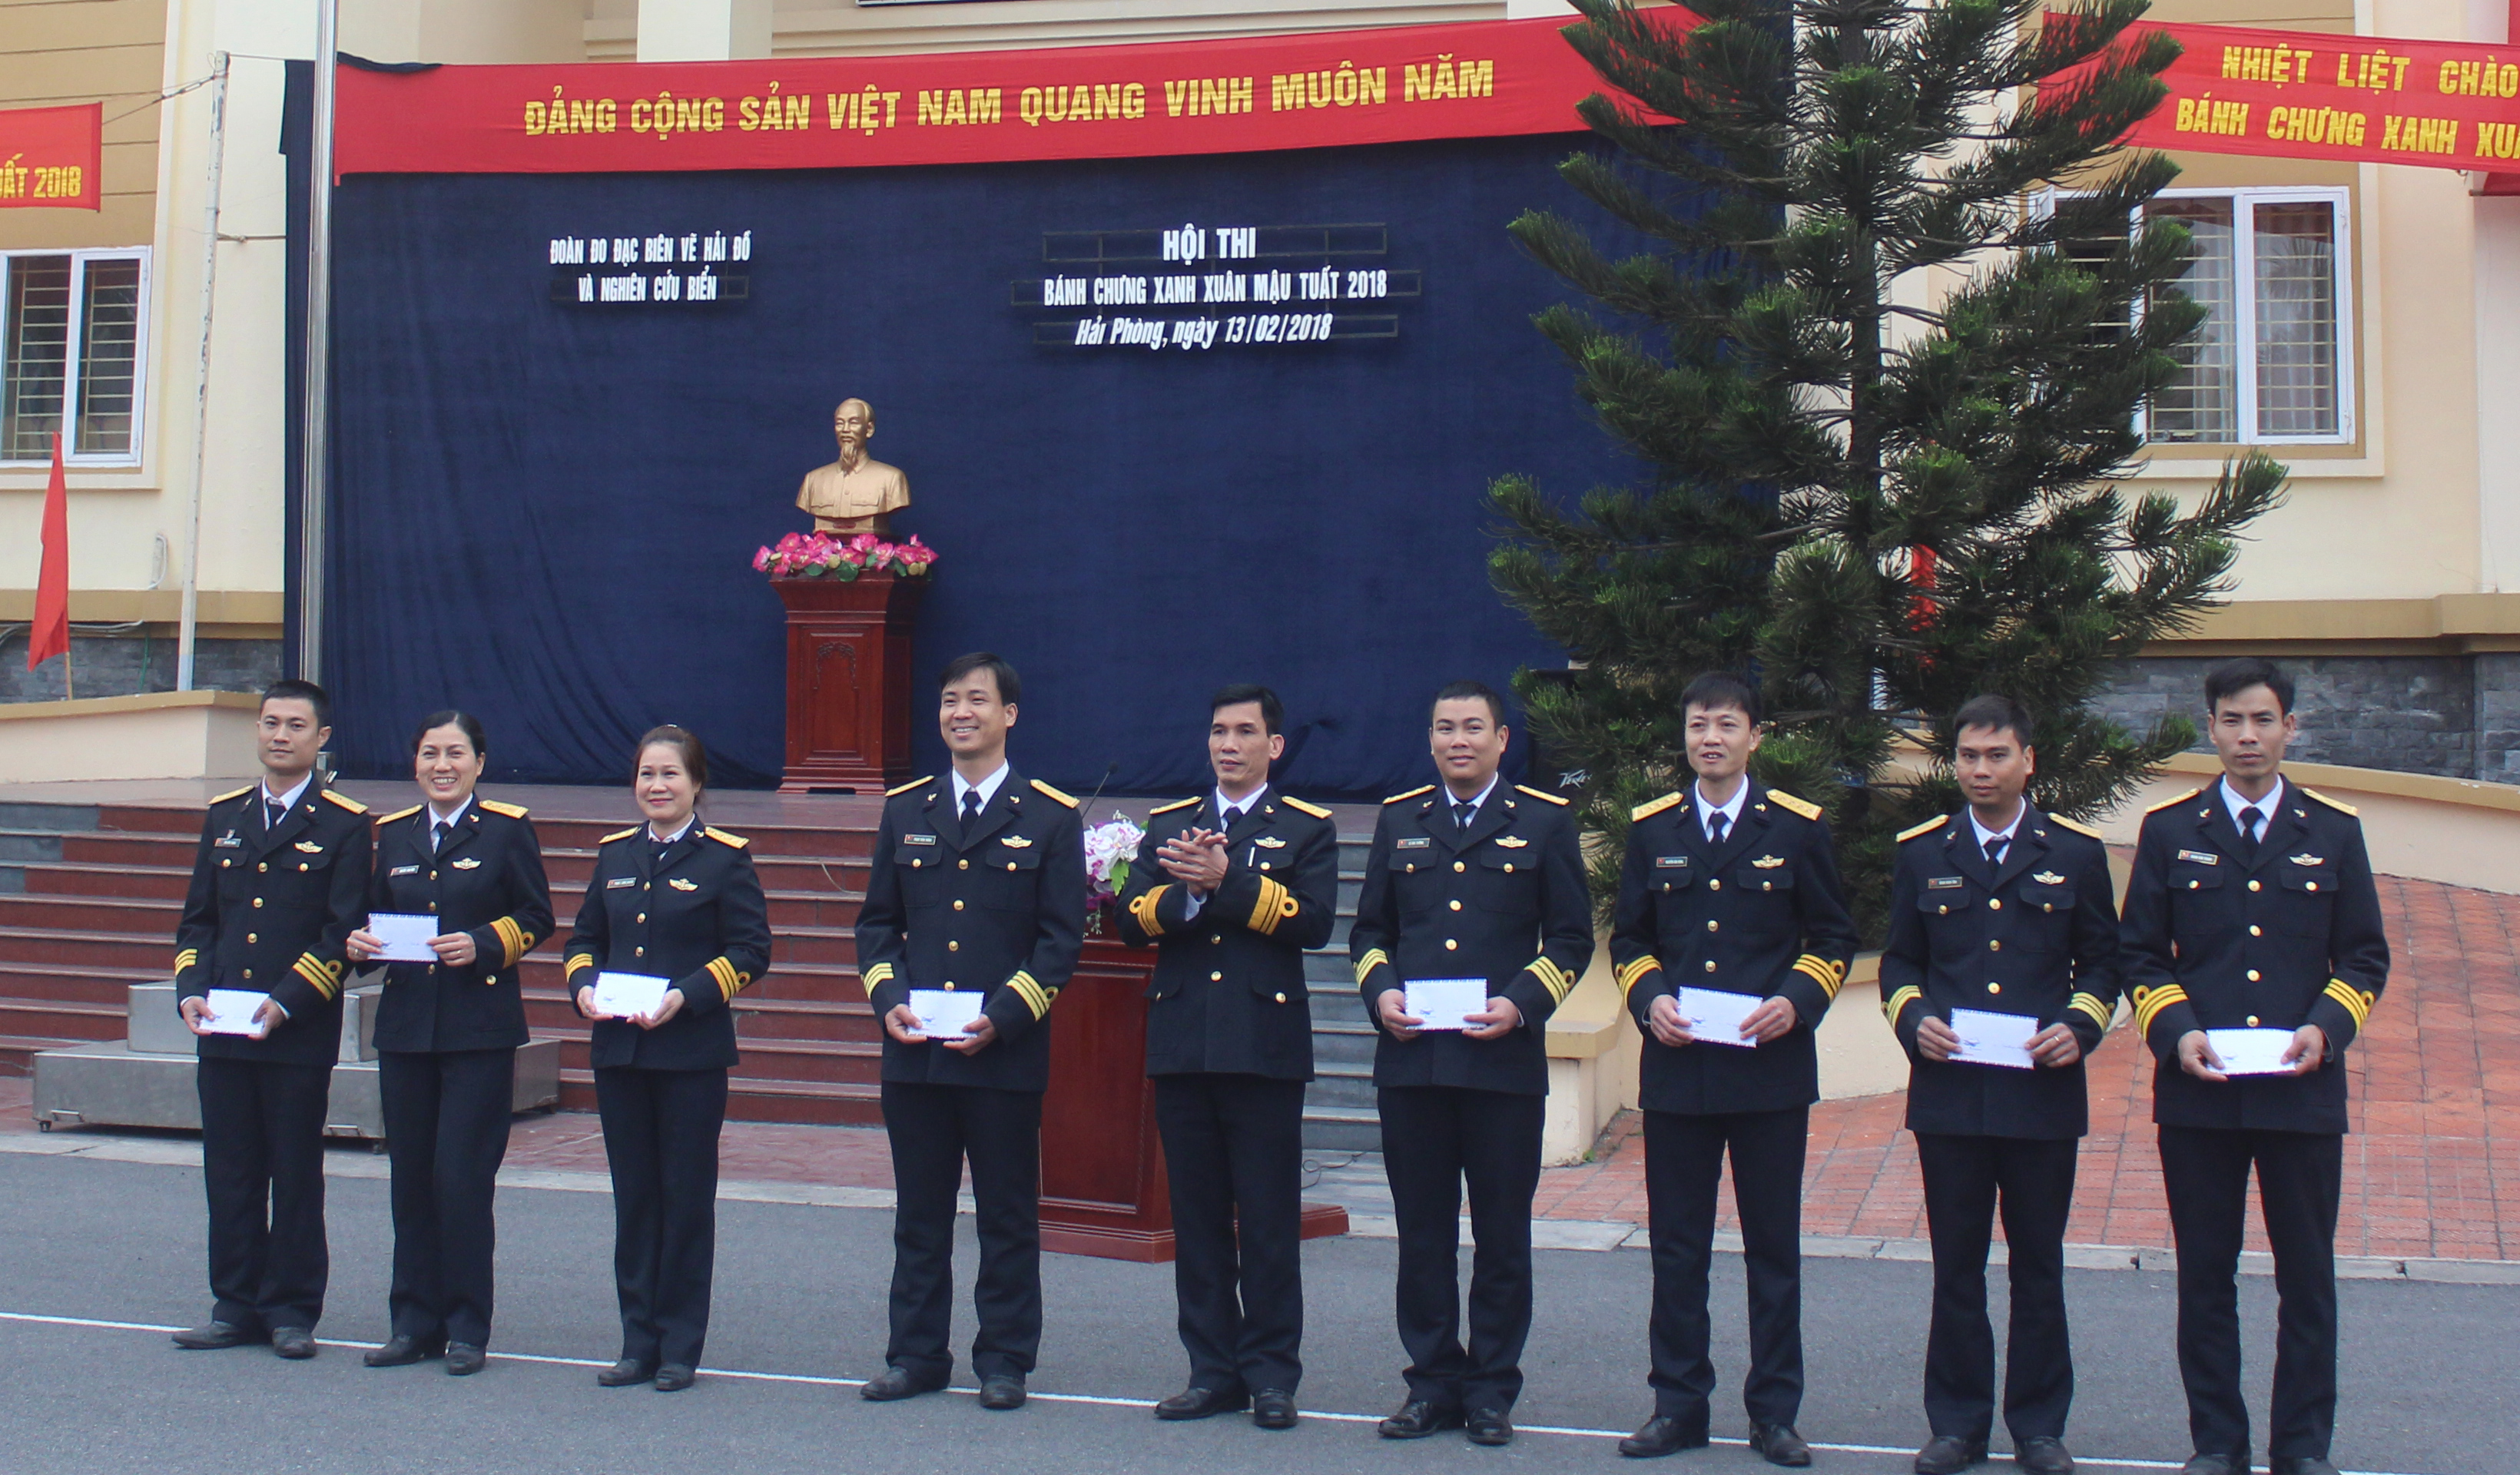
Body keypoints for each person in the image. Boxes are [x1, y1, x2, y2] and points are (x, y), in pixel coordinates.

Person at [2120, 660, 2388, 1475]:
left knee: (2306, 1280)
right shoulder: (2170, 830)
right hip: (2199, 1091)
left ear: (2289, 729)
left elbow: (2364, 956)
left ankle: (2301, 1448)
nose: (2247, 737)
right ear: (2210, 728)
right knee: (2205, 1276)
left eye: (2263, 720)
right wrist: (2175, 1033)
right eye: (2232, 721)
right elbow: (2139, 953)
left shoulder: (2332, 831)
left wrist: (2325, 1029)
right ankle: (2217, 1443)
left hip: (2301, 1091)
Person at [1607, 672, 1858, 1467]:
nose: (1709, 738)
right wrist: (1649, 998)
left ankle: (1774, 1413)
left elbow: (1833, 937)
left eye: (1724, 724)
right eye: (1697, 725)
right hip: (1680, 1070)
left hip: (1766, 1072)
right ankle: (1677, 1405)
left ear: (1756, 735)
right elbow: (1630, 938)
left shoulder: (1797, 828)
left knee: (1771, 1251)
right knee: (1676, 1250)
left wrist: (1797, 1001)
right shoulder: (1653, 829)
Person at [1878, 694, 2123, 1475]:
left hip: (2039, 1093)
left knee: (2037, 1266)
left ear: (2028, 760)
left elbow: (2104, 963)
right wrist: (1913, 1017)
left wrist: (2080, 1025)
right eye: (1968, 757)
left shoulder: (2075, 854)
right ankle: (1956, 1425)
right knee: (1956, 1267)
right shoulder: (1924, 851)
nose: (1981, 770)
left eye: (1996, 756)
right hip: (1950, 1092)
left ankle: (2039, 1427)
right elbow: (1900, 961)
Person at [1349, 679, 1593, 1447]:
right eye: (1445, 728)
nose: (1459, 740)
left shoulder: (1544, 821)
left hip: (1501, 1067)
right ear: (1429, 740)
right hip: (1414, 1063)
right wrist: (1381, 992)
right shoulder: (1400, 819)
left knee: (1500, 1238)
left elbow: (1571, 939)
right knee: (1422, 1236)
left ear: (1501, 740)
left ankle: (1490, 1389)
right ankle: (1430, 1383)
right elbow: (1369, 932)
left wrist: (1522, 1002)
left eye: (1473, 728)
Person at [857, 653, 1086, 1412]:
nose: (961, 713)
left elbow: (1059, 941)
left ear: (1008, 715)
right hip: (915, 1051)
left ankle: (1005, 1359)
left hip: (1002, 1052)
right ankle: (915, 1354)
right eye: (951, 700)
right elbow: (876, 925)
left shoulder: (1048, 816)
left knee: (1006, 1215)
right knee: (919, 1215)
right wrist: (887, 998)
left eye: (978, 700)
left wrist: (1008, 1014)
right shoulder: (906, 810)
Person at [1116, 684, 1338, 1432]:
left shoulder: (1305, 828)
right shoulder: (1170, 824)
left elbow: (1312, 922)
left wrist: (1228, 882)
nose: (1228, 745)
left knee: (1268, 1221)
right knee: (1199, 1220)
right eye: (1218, 731)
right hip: (1184, 1042)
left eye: (1244, 732)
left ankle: (1272, 1376)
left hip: (1263, 1046)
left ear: (1274, 746)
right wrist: (1185, 894)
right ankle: (1212, 1372)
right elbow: (1131, 919)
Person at [562, 725, 771, 1392]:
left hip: (689, 1055)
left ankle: (679, 1346)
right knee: (635, 1201)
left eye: (670, 774)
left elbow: (751, 950)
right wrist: (583, 986)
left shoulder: (724, 860)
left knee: (683, 1201)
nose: (657, 786)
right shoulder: (614, 855)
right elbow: (584, 940)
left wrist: (689, 995)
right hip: (621, 1052)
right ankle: (637, 1342)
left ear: (696, 782)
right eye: (647, 775)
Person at [170, 678, 373, 1359]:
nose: (280, 735)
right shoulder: (225, 816)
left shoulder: (344, 824)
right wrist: (190, 990)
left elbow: (342, 931)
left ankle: (290, 1309)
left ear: (322, 738)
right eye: (271, 723)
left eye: (295, 725)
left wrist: (286, 999)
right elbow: (199, 922)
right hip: (224, 1026)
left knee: (293, 1172)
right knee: (229, 1171)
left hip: (296, 1029)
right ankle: (233, 1304)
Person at [346, 711, 554, 1376]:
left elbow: (538, 915)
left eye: (456, 754)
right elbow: (374, 915)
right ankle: (412, 1323)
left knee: (461, 1181)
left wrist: (486, 942)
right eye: (431, 753)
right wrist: (359, 944)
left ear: (479, 763)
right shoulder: (394, 833)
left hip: (477, 1030)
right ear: (415, 764)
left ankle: (466, 1327)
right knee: (411, 1181)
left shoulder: (506, 830)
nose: (443, 766)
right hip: (407, 1029)